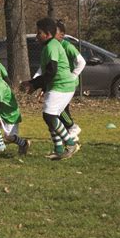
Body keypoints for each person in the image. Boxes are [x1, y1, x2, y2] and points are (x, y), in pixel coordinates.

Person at [21, 17, 79, 160]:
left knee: (49, 116)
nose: (36, 36)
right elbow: (48, 72)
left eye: (39, 33)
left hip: (62, 86)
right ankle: (59, 149)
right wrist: (34, 83)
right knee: (50, 117)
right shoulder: (49, 45)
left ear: (47, 34)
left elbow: (51, 71)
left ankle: (70, 144)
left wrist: (33, 85)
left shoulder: (52, 45)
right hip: (57, 85)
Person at [55, 19, 86, 141]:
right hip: (59, 83)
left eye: (54, 32)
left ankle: (72, 127)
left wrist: (73, 76)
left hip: (68, 84)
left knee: (58, 109)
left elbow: (82, 62)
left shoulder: (67, 46)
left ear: (61, 34)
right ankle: (69, 132)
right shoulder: (52, 46)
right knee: (61, 109)